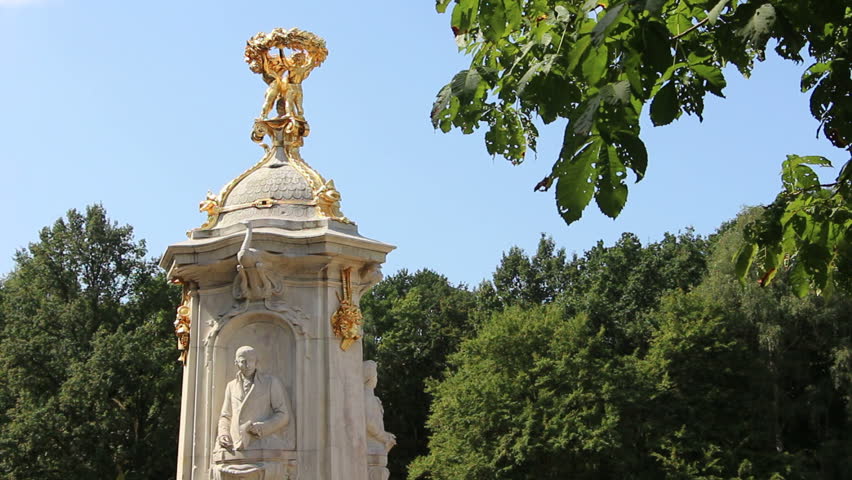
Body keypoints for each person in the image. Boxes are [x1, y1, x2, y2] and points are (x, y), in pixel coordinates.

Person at [217, 346, 291, 452]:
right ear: (236, 362)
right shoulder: (231, 386)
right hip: (234, 445)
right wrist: (223, 434)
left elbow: (283, 415)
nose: (247, 365)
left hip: (261, 443)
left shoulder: (270, 382)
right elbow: (226, 416)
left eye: (251, 361)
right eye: (243, 361)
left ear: (256, 362)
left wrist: (260, 428)